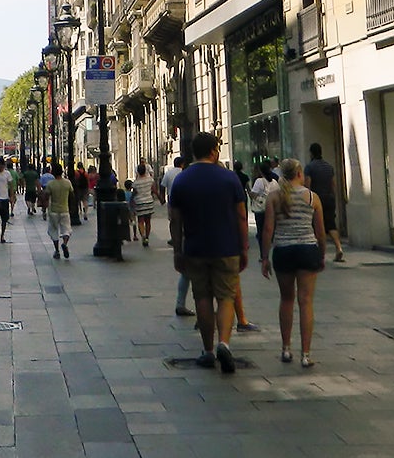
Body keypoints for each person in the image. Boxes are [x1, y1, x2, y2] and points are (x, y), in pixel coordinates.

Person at [169, 131, 249, 374]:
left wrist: (178, 250)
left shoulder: (182, 180)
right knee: (226, 297)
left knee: (202, 298)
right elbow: (241, 216)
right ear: (214, 151)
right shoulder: (230, 178)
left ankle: (208, 350)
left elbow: (175, 220)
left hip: (195, 249)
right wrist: (244, 247)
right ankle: (224, 342)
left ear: (193, 152)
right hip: (227, 247)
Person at [260, 158, 327, 367]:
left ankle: (286, 348)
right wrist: (322, 255)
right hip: (307, 250)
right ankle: (305, 354)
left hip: (284, 251)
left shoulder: (274, 197)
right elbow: (321, 232)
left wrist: (264, 257)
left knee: (286, 299)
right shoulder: (312, 197)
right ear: (299, 174)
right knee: (306, 302)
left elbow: (268, 230)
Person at [304, 143, 346, 263]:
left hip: (317, 199)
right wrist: (333, 197)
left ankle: (318, 251)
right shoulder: (329, 167)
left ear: (311, 153)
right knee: (331, 224)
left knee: (317, 225)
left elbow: (308, 185)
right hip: (329, 199)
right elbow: (333, 184)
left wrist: (307, 199)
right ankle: (338, 247)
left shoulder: (309, 167)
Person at [44, 162, 75, 260]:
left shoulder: (50, 184)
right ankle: (65, 244)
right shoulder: (67, 183)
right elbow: (72, 195)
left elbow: (46, 196)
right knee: (66, 230)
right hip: (65, 210)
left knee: (53, 230)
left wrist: (44, 209)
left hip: (53, 210)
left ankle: (57, 250)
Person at [132, 162, 157, 246]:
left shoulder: (135, 183)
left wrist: (131, 202)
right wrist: (160, 198)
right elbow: (154, 190)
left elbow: (134, 193)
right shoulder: (150, 180)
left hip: (139, 203)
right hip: (149, 202)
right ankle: (147, 237)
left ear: (138, 172)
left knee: (140, 221)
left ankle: (142, 236)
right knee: (148, 221)